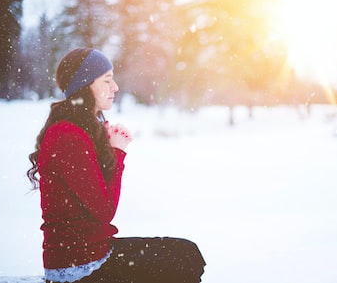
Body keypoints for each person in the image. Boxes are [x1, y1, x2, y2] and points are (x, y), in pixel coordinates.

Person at [27, 48, 206, 283]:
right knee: (183, 259)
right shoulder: (67, 135)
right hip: (79, 267)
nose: (115, 87)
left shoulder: (78, 130)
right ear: (85, 85)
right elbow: (104, 211)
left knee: (187, 254)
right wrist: (118, 152)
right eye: (107, 80)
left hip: (91, 255)